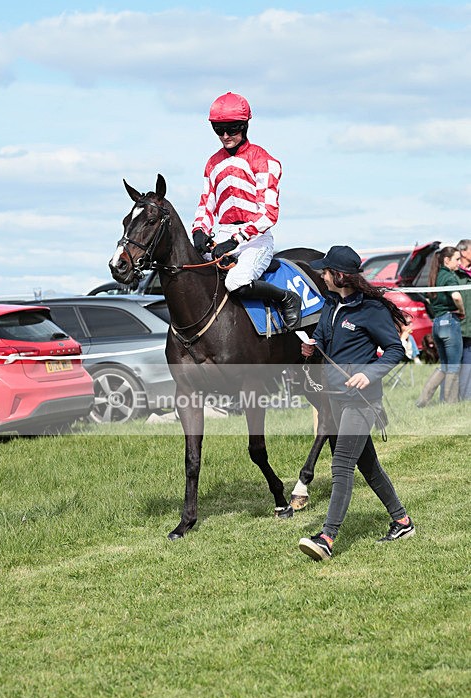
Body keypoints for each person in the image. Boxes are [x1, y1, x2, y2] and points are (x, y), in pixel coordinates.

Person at [297, 245, 414, 562]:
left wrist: (368, 373)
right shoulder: (330, 303)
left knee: (341, 466)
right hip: (334, 398)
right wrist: (312, 347)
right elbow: (323, 338)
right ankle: (402, 522)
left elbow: (395, 350)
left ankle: (326, 538)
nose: (321, 275)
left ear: (338, 275)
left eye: (325, 271)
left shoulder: (371, 310)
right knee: (368, 466)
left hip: (361, 401)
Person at [191, 92, 302, 331]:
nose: (225, 136)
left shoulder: (264, 161)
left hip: (255, 240)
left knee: (235, 282)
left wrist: (236, 240)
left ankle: (286, 298)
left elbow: (268, 214)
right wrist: (199, 230)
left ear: (244, 126)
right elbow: (206, 203)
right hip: (222, 235)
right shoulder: (212, 163)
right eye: (219, 130)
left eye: (231, 129)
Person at [416, 246, 465, 407]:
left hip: (437, 324)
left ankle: (422, 401)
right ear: (447, 260)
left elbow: (428, 299)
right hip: (450, 323)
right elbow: (456, 296)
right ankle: (451, 404)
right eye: (457, 259)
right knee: (454, 366)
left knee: (444, 366)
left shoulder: (435, 275)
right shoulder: (449, 276)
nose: (459, 263)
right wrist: (461, 310)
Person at [456, 239, 471, 400]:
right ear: (464, 252)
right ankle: (450, 398)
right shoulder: (454, 274)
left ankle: (466, 397)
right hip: (457, 326)